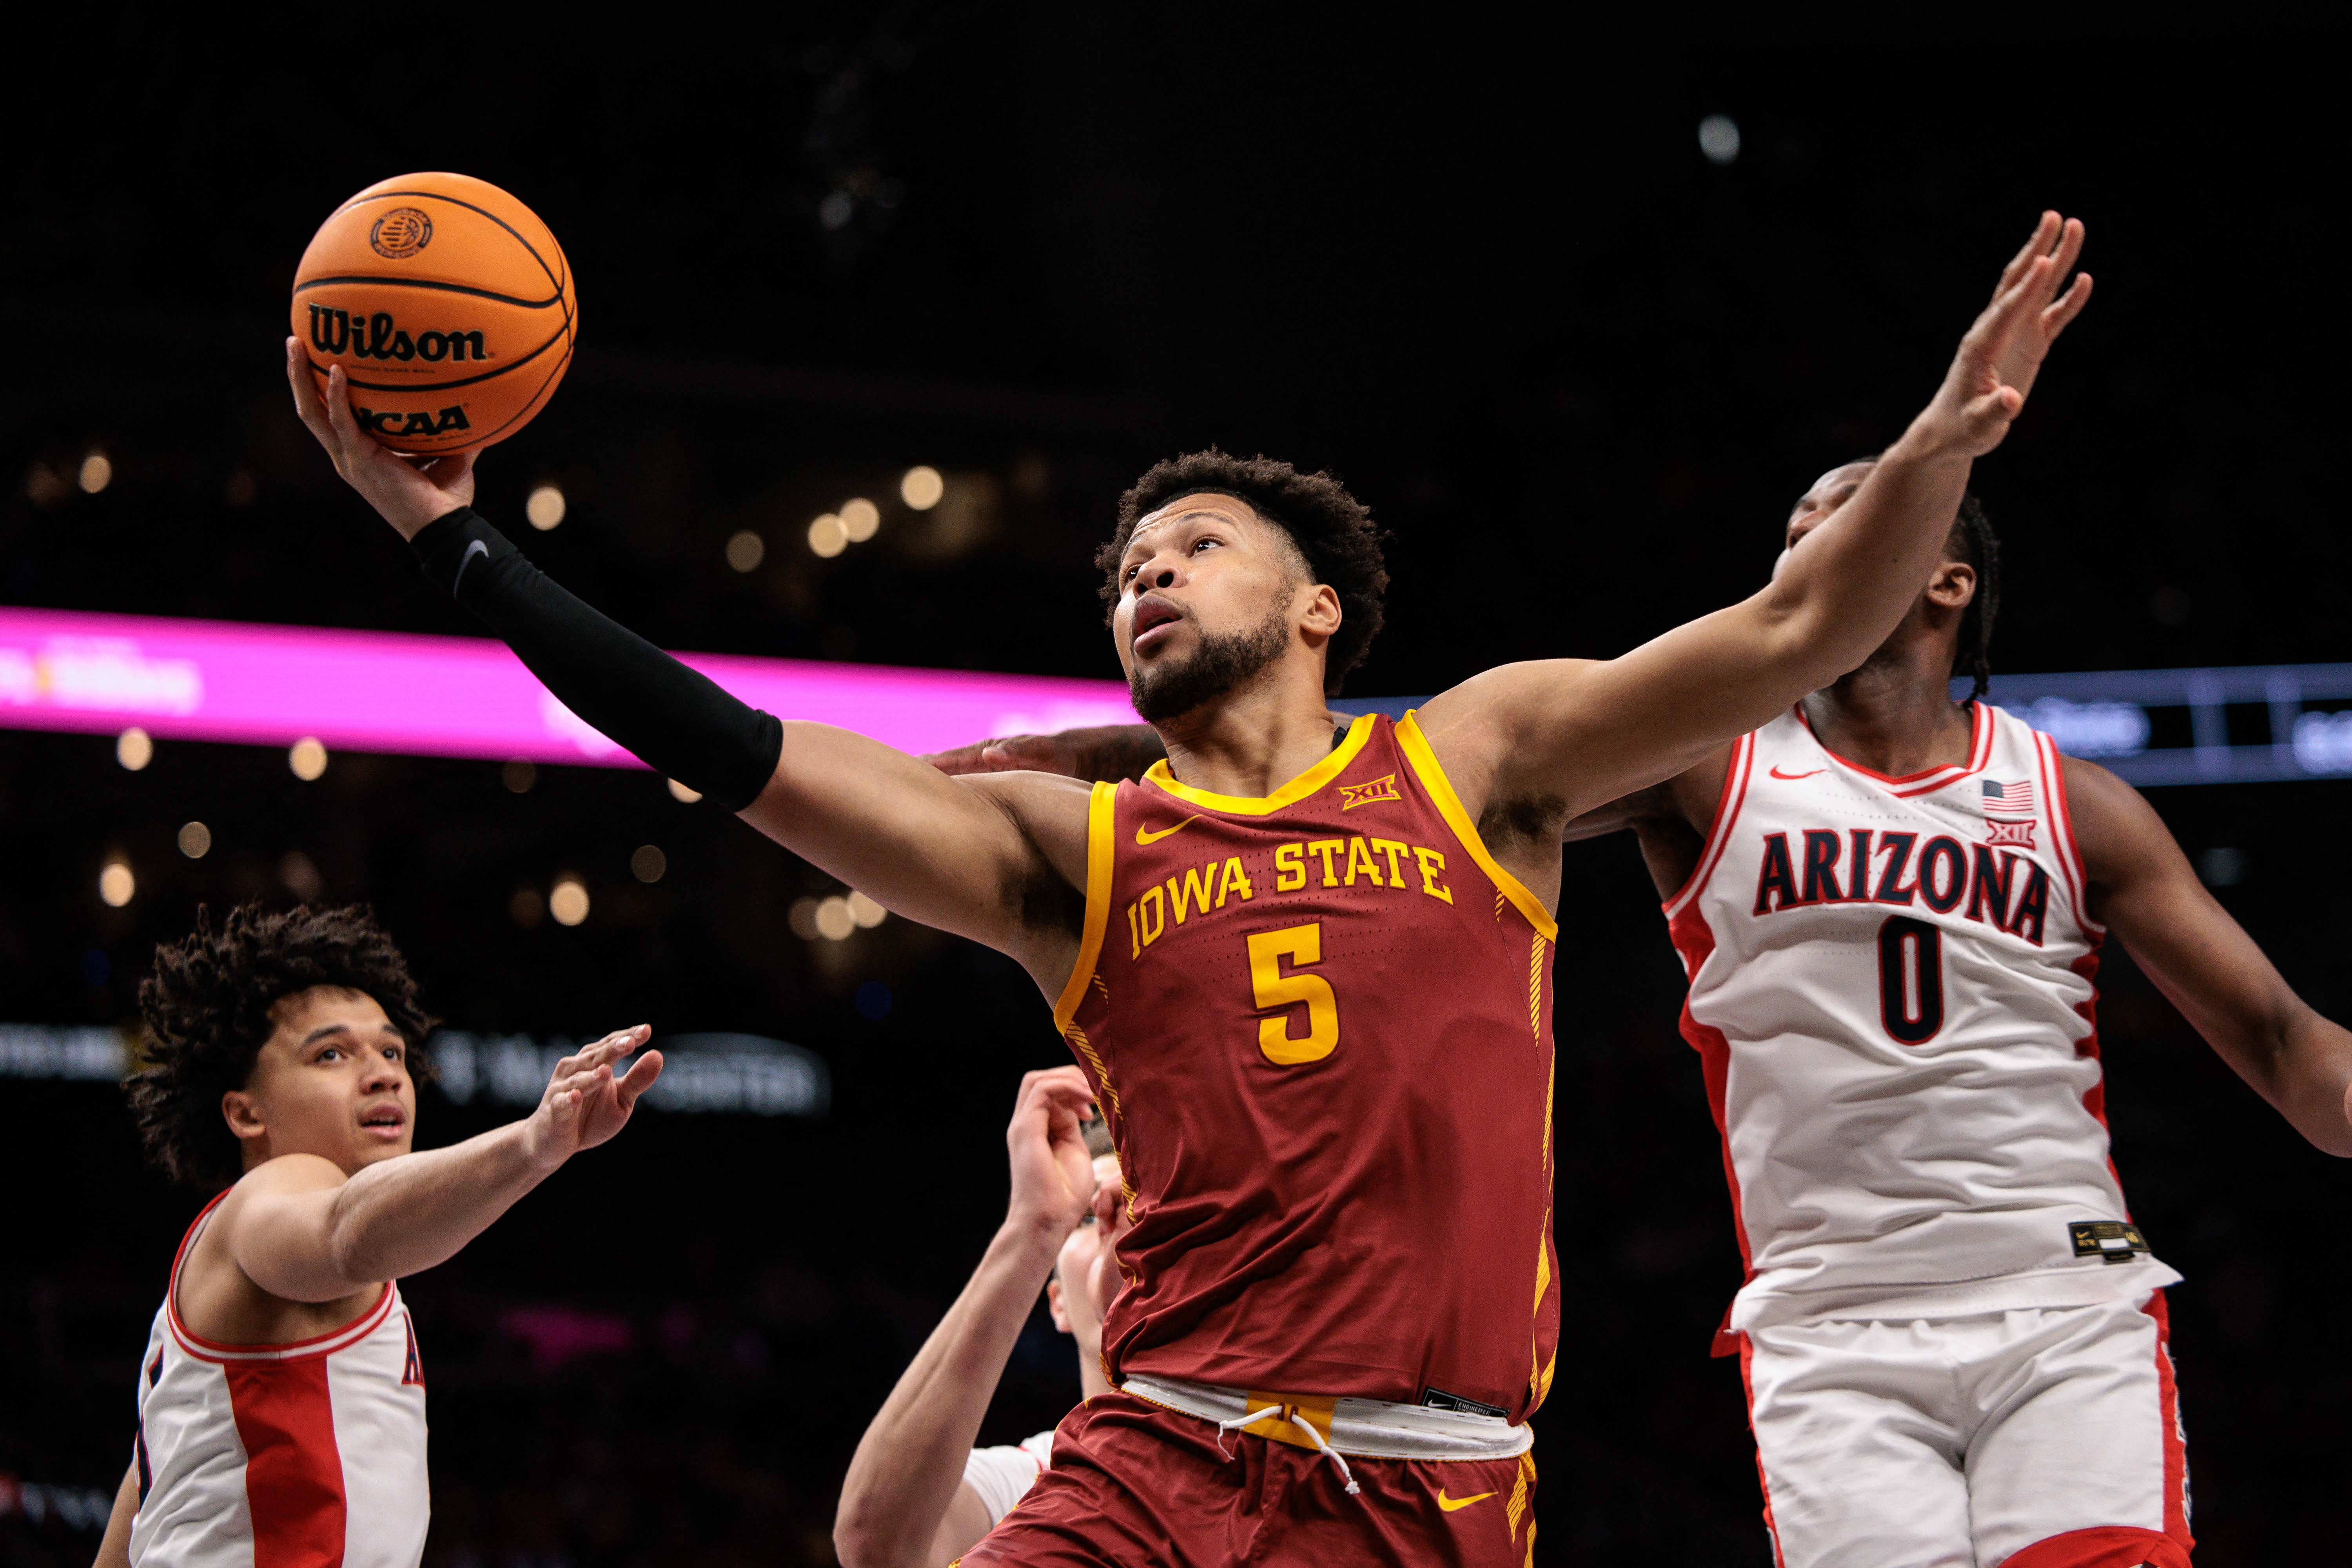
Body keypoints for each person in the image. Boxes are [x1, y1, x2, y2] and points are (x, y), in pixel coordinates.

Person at [286, 211, 2091, 1564]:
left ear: (1316, 605)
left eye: (1196, 547)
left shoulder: (1476, 759)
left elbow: (1795, 627)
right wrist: (454, 542)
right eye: (1126, 568)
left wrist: (1939, 440)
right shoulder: (1065, 855)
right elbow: (728, 743)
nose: (1145, 575)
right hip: (1151, 1464)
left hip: (1428, 1488)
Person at [962, 474, 2352, 1567]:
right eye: (1792, 537)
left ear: (1937, 571)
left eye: (1844, 523)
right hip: (1829, 1319)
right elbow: (1407, 786)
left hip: (2058, 1286)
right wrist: (1147, 752)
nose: (1803, 552)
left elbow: (2293, 1049)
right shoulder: (1705, 770)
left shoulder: (2072, 801)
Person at [92, 904, 662, 1568]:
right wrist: (531, 1145)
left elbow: (146, 1497)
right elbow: (344, 1232)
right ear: (246, 1113)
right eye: (331, 1054)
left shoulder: (209, 1318)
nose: (385, 1073)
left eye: (392, 1051)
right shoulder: (270, 1197)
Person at [833, 1067, 1128, 1568]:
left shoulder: (1267, 1444)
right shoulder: (1028, 1483)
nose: (1111, 1220)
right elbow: (873, 1545)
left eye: (1137, 1209)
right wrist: (1035, 1226)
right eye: (1085, 1217)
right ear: (1057, 1301)